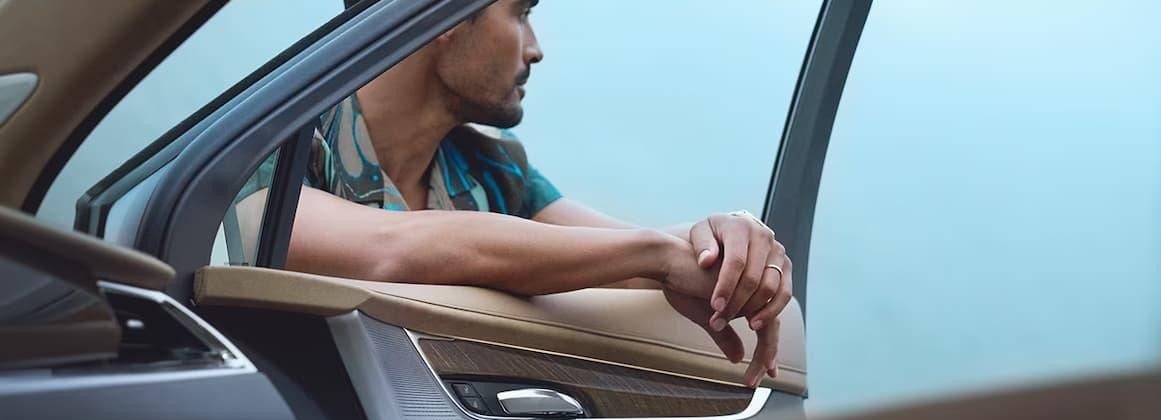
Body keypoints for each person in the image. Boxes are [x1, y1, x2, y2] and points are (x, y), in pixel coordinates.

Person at [282, 0, 794, 387]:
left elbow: (615, 253)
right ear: (440, 17)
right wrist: (657, 254)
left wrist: (725, 243)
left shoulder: (494, 168)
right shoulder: (277, 147)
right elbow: (389, 249)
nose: (535, 48)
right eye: (521, 12)